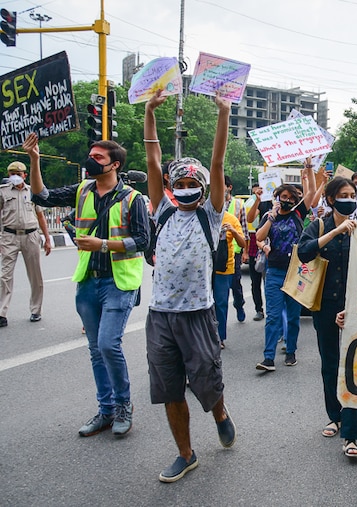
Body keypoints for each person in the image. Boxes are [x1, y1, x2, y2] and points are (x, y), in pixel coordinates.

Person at [29, 133, 149, 438]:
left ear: (115, 165)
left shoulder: (134, 199)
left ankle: (123, 405)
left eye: (98, 158)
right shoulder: (83, 190)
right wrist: (34, 159)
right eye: (91, 155)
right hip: (87, 282)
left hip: (119, 283)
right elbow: (43, 196)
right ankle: (106, 410)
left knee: (109, 345)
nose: (90, 161)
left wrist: (104, 244)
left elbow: (144, 242)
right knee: (96, 350)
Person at [143, 90, 236, 483]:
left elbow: (217, 161)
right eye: (176, 181)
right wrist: (148, 112)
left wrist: (224, 114)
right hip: (160, 316)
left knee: (206, 381)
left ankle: (219, 411)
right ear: (168, 187)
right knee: (170, 389)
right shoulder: (161, 209)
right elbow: (152, 159)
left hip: (198, 314)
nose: (183, 187)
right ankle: (185, 453)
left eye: (190, 181)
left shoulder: (211, 216)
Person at [297, 176, 357, 458]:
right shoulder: (320, 225)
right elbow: (304, 252)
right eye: (343, 194)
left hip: (353, 308)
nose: (349, 199)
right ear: (332, 198)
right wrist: (336, 233)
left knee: (353, 368)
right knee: (330, 364)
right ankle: (334, 416)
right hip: (324, 305)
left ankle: (351, 435)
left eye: (353, 194)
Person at [255, 181, 307, 371]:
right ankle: (268, 358)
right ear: (277, 198)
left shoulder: (298, 215)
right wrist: (271, 217)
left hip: (295, 273)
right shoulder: (270, 217)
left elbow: (311, 195)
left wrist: (310, 170)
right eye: (284, 197)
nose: (287, 200)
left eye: (291, 198)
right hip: (274, 272)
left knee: (293, 316)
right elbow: (259, 238)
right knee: (273, 317)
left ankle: (291, 351)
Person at [0, 156, 52, 327]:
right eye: (12, 173)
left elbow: (40, 216)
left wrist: (47, 238)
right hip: (9, 236)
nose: (15, 176)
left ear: (24, 175)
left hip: (31, 235)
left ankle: (36, 310)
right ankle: (1, 312)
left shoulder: (33, 191)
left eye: (18, 173)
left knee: (35, 275)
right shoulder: (3, 191)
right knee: (5, 276)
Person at [214, 210, 246, 348]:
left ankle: (220, 337)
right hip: (205, 267)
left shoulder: (231, 219)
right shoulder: (203, 215)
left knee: (221, 303)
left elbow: (243, 243)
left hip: (224, 268)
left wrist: (232, 231)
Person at [223, 176, 248, 322]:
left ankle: (239, 305)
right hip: (218, 252)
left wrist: (245, 252)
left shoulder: (238, 205)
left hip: (235, 251)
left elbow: (244, 229)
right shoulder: (211, 204)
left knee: (235, 283)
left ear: (229, 187)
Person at [245, 183, 267, 321]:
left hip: (274, 249)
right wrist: (258, 200)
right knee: (255, 281)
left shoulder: (283, 205)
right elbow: (250, 218)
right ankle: (258, 309)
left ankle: (273, 312)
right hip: (256, 243)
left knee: (270, 283)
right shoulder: (262, 203)